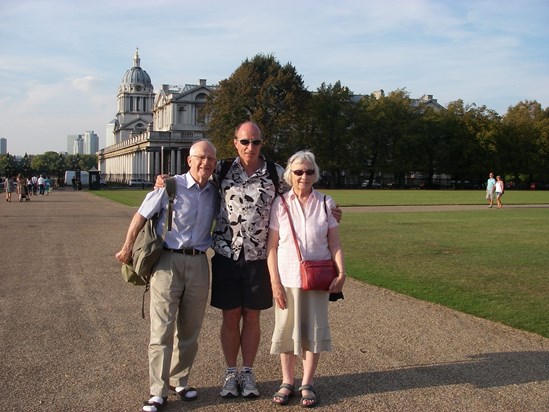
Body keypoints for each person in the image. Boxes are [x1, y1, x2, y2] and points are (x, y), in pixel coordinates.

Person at [154, 121, 341, 399]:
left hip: (259, 257)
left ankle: (249, 372)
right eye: (245, 142)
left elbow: (300, 194)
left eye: (255, 142)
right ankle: (232, 372)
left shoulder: (276, 172)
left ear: (261, 144)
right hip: (227, 254)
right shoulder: (223, 168)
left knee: (252, 317)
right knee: (230, 316)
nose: (250, 147)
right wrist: (165, 180)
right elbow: (197, 172)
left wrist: (330, 211)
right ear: (235, 143)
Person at [116, 140, 218, 412]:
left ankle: (179, 380)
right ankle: (157, 390)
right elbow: (140, 215)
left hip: (199, 263)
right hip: (168, 261)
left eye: (211, 159)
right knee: (161, 329)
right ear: (189, 160)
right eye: (201, 157)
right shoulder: (170, 186)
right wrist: (127, 247)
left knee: (190, 329)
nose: (205, 163)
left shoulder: (215, 190)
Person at [266, 150, 346, 408]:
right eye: (299, 172)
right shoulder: (280, 203)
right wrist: (274, 282)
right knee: (287, 332)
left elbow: (334, 243)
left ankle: (307, 383)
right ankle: (287, 381)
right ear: (290, 174)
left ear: (316, 174)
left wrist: (342, 272)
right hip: (288, 277)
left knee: (313, 331)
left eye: (309, 171)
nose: (304, 176)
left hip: (317, 278)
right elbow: (272, 247)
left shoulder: (326, 203)